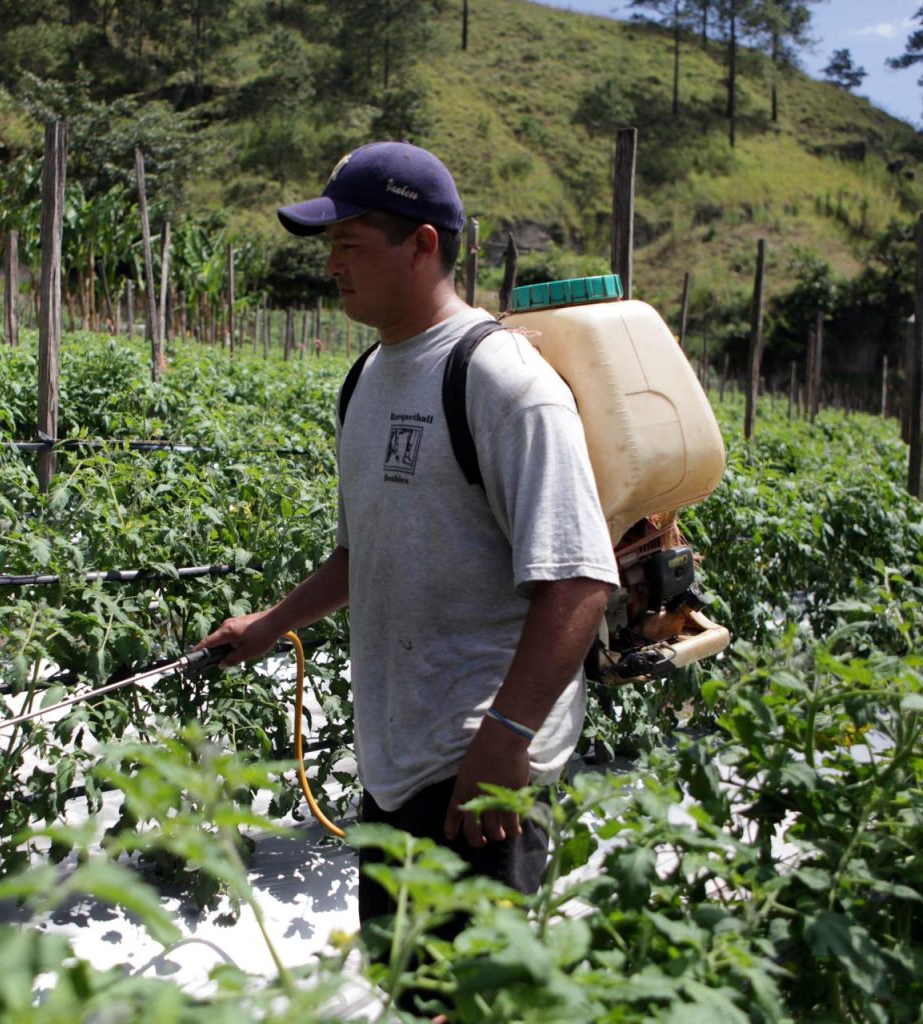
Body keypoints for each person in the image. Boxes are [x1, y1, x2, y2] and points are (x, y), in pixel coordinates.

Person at [196, 140, 618, 931]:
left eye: (349, 245)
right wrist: (267, 627)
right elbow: (364, 555)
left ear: (422, 245)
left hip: (479, 773)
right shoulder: (366, 379)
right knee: (409, 990)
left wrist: (507, 738)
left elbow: (579, 581)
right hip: (395, 761)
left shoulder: (503, 382)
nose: (332, 267)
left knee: (469, 1000)